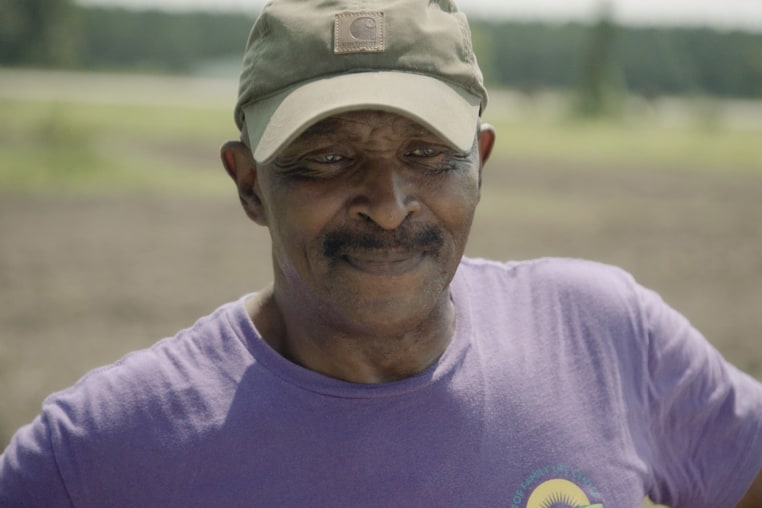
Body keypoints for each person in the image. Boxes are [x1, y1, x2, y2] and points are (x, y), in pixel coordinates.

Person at [2, 0, 761, 506]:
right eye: (327, 158)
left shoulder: (604, 336)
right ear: (248, 185)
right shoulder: (108, 450)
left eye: (427, 152)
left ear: (481, 164)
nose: (389, 203)